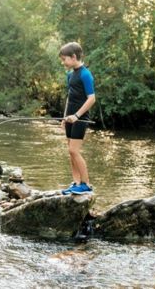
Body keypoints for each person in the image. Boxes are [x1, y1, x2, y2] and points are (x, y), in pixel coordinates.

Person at [59, 42, 96, 195]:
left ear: (73, 57)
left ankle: (86, 184)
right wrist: (65, 117)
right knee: (70, 151)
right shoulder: (70, 75)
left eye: (64, 59)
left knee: (74, 150)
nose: (63, 62)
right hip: (70, 118)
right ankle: (76, 182)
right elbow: (70, 98)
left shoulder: (85, 74)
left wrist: (76, 116)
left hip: (80, 118)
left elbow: (91, 98)